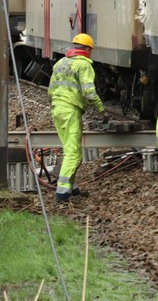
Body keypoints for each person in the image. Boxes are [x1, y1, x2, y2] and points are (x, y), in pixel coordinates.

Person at [49, 33, 108, 202]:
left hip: (57, 109)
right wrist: (101, 110)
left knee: (71, 150)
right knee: (73, 154)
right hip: (70, 111)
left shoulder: (60, 63)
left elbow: (50, 90)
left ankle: (72, 188)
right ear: (88, 49)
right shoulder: (84, 65)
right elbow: (89, 92)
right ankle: (61, 193)